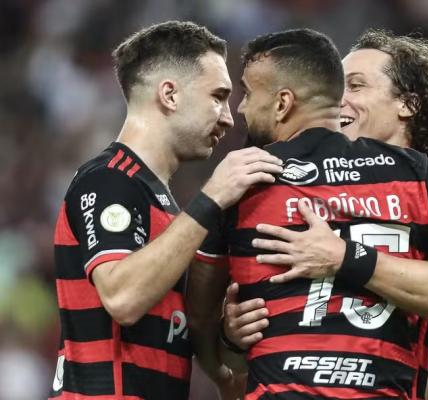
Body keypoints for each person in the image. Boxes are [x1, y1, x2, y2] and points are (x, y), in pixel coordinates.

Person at [187, 28, 428, 399]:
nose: (340, 100)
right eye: (338, 87)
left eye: (355, 86)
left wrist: (342, 255)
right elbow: (222, 338)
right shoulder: (262, 177)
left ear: (407, 104)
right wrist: (231, 337)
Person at [49, 21, 283, 400]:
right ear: (170, 95)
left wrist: (228, 335)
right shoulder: (109, 180)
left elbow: (171, 325)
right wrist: (212, 198)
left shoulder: (161, 202)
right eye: (218, 96)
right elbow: (123, 298)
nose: (228, 116)